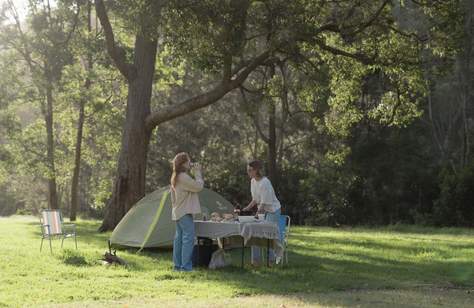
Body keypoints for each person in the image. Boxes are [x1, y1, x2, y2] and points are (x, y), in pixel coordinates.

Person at [242, 160, 282, 266]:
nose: (248, 172)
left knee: (268, 235)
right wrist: (246, 209)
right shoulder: (253, 182)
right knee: (254, 233)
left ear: (256, 170)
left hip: (273, 211)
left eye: (250, 170)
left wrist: (256, 215)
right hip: (262, 211)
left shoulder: (265, 182)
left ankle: (271, 262)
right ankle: (255, 262)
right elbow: (255, 199)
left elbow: (264, 203)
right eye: (247, 170)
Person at [170, 152, 204, 271]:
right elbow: (198, 186)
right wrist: (198, 173)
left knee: (179, 239)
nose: (190, 163)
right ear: (183, 163)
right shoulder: (183, 177)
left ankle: (177, 266)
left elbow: (172, 198)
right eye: (189, 161)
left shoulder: (176, 176)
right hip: (184, 212)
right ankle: (185, 267)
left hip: (178, 212)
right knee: (188, 239)